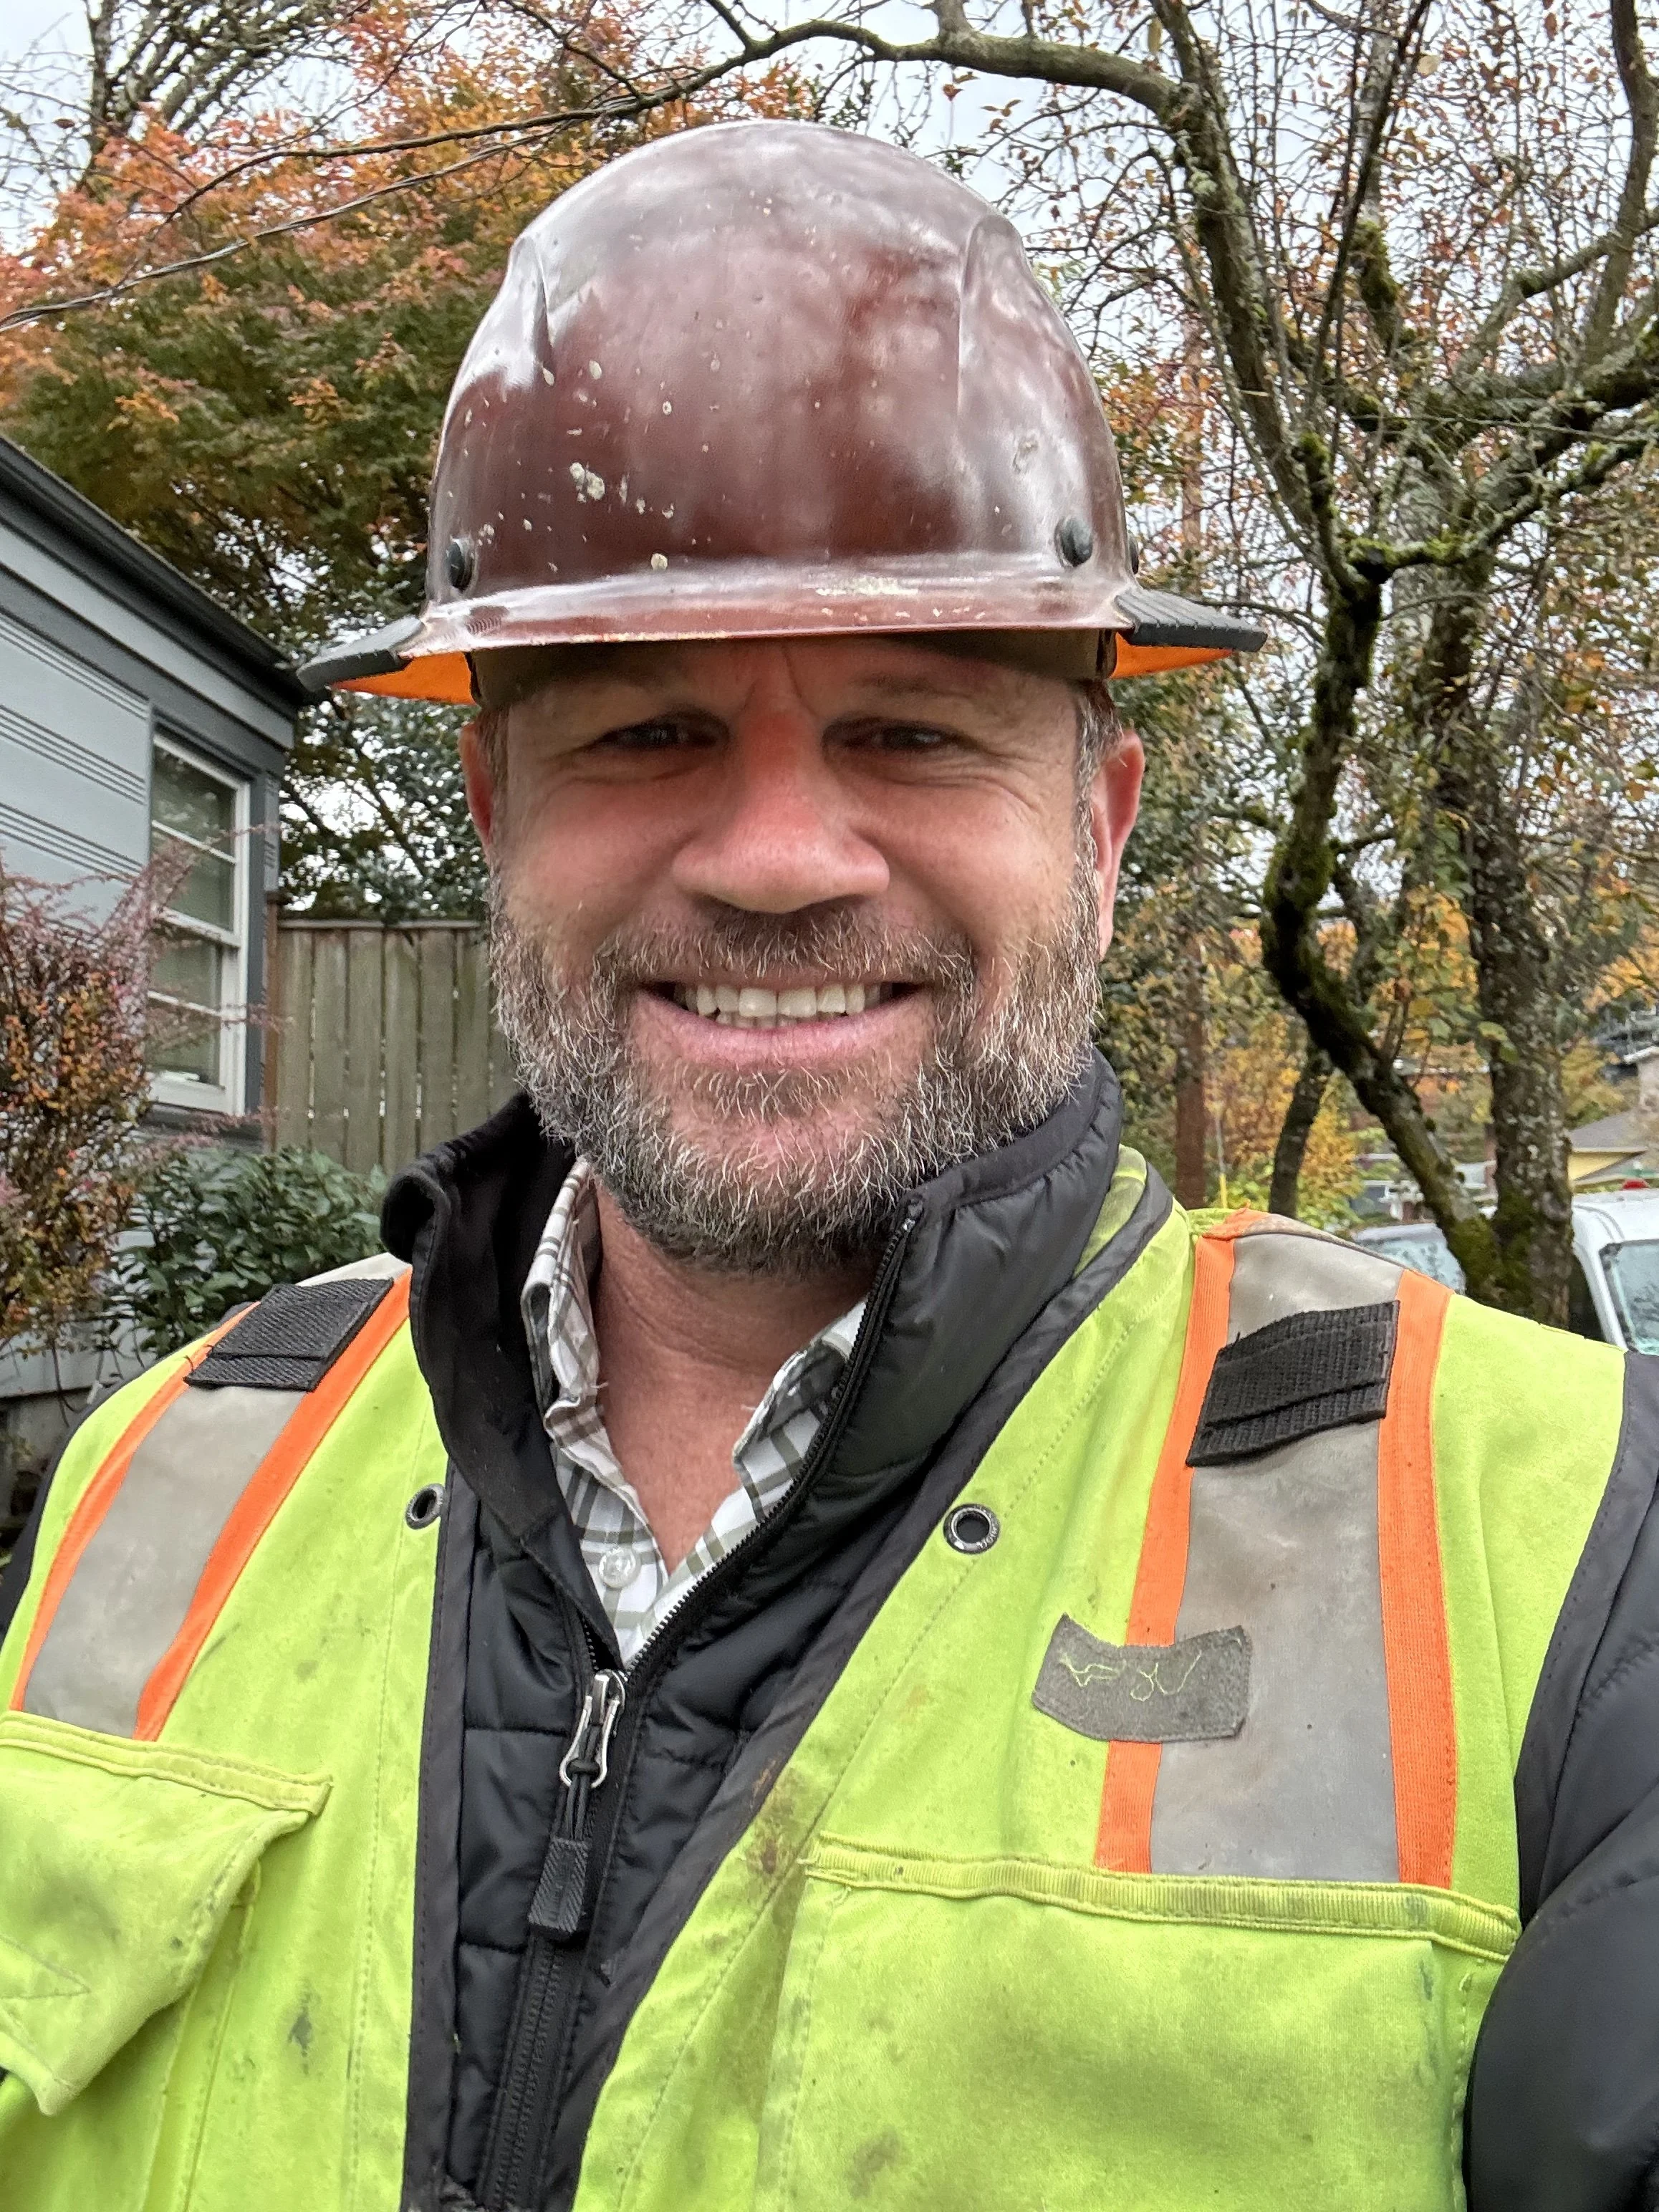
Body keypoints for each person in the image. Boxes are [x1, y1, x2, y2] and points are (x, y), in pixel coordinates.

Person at [1, 120, 1655, 2212]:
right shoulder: (160, 1482)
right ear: (497, 810)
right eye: (646, 734)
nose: (778, 858)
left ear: (1101, 822)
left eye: (912, 731)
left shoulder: (1563, 1548)